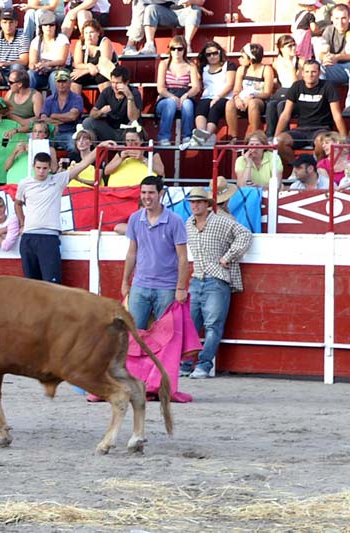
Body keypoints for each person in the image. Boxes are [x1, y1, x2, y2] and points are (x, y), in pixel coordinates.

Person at [182, 179, 252, 379]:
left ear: (207, 204)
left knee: (212, 325)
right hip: (197, 278)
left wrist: (228, 257)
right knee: (192, 325)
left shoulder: (221, 221)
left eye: (199, 202)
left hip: (216, 278)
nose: (195, 205)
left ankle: (203, 365)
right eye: (192, 202)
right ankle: (187, 364)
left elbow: (245, 235)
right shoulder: (189, 224)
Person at [15, 147, 112, 283]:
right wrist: (22, 223)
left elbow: (84, 164)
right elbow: (18, 203)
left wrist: (99, 147)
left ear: (50, 168)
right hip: (28, 236)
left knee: (52, 283)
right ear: (33, 167)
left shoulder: (58, 180)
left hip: (49, 237)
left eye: (44, 168)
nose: (41, 171)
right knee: (30, 283)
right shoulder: (24, 183)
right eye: (38, 168)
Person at [121, 175, 188, 330]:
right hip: (140, 285)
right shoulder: (135, 219)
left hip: (167, 287)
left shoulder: (175, 221)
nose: (147, 197)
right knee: (134, 333)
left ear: (161, 193)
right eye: (143, 192)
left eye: (151, 192)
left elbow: (183, 257)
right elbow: (132, 253)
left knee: (165, 334)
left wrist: (180, 288)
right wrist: (125, 281)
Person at [274, 59, 346, 164]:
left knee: (321, 142)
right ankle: (297, 167)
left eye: (313, 72)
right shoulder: (296, 86)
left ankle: (319, 169)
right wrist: (275, 138)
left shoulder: (327, 87)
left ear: (319, 73)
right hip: (301, 130)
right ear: (302, 73)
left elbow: (337, 115)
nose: (310, 75)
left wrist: (344, 139)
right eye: (307, 72)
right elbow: (285, 114)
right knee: (280, 141)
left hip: (321, 129)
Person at [155, 35, 200, 146]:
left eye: (179, 49)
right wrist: (172, 97)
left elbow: (196, 87)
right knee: (170, 103)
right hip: (167, 96)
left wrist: (185, 96)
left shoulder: (191, 65)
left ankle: (187, 137)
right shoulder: (164, 64)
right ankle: (164, 137)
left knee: (188, 104)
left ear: (184, 50)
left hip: (184, 94)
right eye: (173, 49)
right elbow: (160, 88)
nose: (176, 52)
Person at [226, 43, 274, 141]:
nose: (239, 59)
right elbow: (237, 90)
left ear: (251, 59)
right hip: (243, 99)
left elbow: (267, 93)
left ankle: (254, 136)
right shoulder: (241, 69)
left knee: (253, 103)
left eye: (242, 57)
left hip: (259, 100)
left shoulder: (266, 70)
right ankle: (234, 137)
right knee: (229, 104)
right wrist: (237, 98)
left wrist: (252, 96)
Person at [192, 41, 236, 146]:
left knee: (215, 108)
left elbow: (230, 84)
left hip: (224, 96)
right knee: (201, 108)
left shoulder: (228, 65)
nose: (212, 56)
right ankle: (202, 134)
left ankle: (206, 135)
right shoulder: (203, 68)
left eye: (215, 53)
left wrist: (218, 97)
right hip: (207, 96)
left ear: (220, 53)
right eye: (208, 54)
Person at [82, 65, 142, 142]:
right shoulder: (107, 92)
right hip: (111, 130)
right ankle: (95, 147)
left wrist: (129, 97)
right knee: (87, 122)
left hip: (127, 131)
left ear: (126, 83)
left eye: (118, 83)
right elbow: (92, 114)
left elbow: (133, 119)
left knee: (132, 124)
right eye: (113, 82)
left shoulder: (134, 93)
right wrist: (101, 112)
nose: (115, 86)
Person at [135, 0, 206, 56]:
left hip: (185, 11)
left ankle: (186, 44)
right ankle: (149, 45)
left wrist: (190, 2)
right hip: (166, 11)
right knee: (150, 9)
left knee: (195, 10)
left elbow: (200, 1)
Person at [266, 35, 302, 139]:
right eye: (289, 46)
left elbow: (296, 84)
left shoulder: (300, 63)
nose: (293, 48)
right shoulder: (276, 63)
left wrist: (291, 68)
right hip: (282, 93)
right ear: (281, 49)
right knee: (271, 105)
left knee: (282, 105)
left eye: (294, 45)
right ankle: (270, 136)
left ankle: (284, 136)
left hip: (296, 95)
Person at [39, 69, 83, 153]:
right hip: (52, 133)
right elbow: (43, 119)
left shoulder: (77, 98)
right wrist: (64, 119)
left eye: (64, 81)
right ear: (55, 83)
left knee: (73, 146)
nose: (61, 84)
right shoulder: (49, 99)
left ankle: (73, 162)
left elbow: (72, 117)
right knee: (40, 145)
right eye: (59, 81)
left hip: (70, 132)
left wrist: (53, 116)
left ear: (70, 82)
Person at [28, 10, 70, 94]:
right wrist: (34, 66)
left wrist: (46, 64)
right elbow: (32, 62)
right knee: (30, 74)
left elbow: (62, 60)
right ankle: (29, 99)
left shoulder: (62, 39)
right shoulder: (36, 41)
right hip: (41, 73)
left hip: (59, 70)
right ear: (41, 27)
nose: (48, 27)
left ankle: (56, 101)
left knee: (54, 76)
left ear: (56, 26)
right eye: (45, 25)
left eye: (51, 25)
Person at [70, 18, 117, 94]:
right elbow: (78, 63)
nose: (89, 35)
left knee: (101, 77)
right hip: (89, 71)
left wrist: (86, 71)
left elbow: (105, 63)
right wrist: (89, 66)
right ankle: (75, 101)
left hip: (103, 71)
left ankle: (107, 100)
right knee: (75, 77)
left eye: (91, 32)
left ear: (98, 33)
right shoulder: (80, 43)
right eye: (86, 33)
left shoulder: (105, 42)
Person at [0, 8, 29, 86]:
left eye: (11, 22)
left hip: (16, 73)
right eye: (4, 22)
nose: (8, 26)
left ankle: (15, 91)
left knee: (16, 67)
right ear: (0, 24)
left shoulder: (22, 37)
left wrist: (5, 64)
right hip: (0, 73)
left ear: (16, 23)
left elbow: (24, 61)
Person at [319, 3, 350, 114]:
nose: (340, 22)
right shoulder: (329, 30)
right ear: (332, 19)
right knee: (319, 68)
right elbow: (323, 51)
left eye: (343, 18)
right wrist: (325, 57)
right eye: (337, 18)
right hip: (336, 68)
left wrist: (337, 57)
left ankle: (349, 107)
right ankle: (322, 106)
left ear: (349, 18)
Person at [4, 119, 57, 183]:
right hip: (16, 180)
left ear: (46, 134)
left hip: (38, 182)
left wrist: (32, 151)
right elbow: (6, 167)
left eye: (40, 132)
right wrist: (15, 152)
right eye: (35, 131)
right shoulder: (23, 146)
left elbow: (54, 169)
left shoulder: (50, 149)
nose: (37, 134)